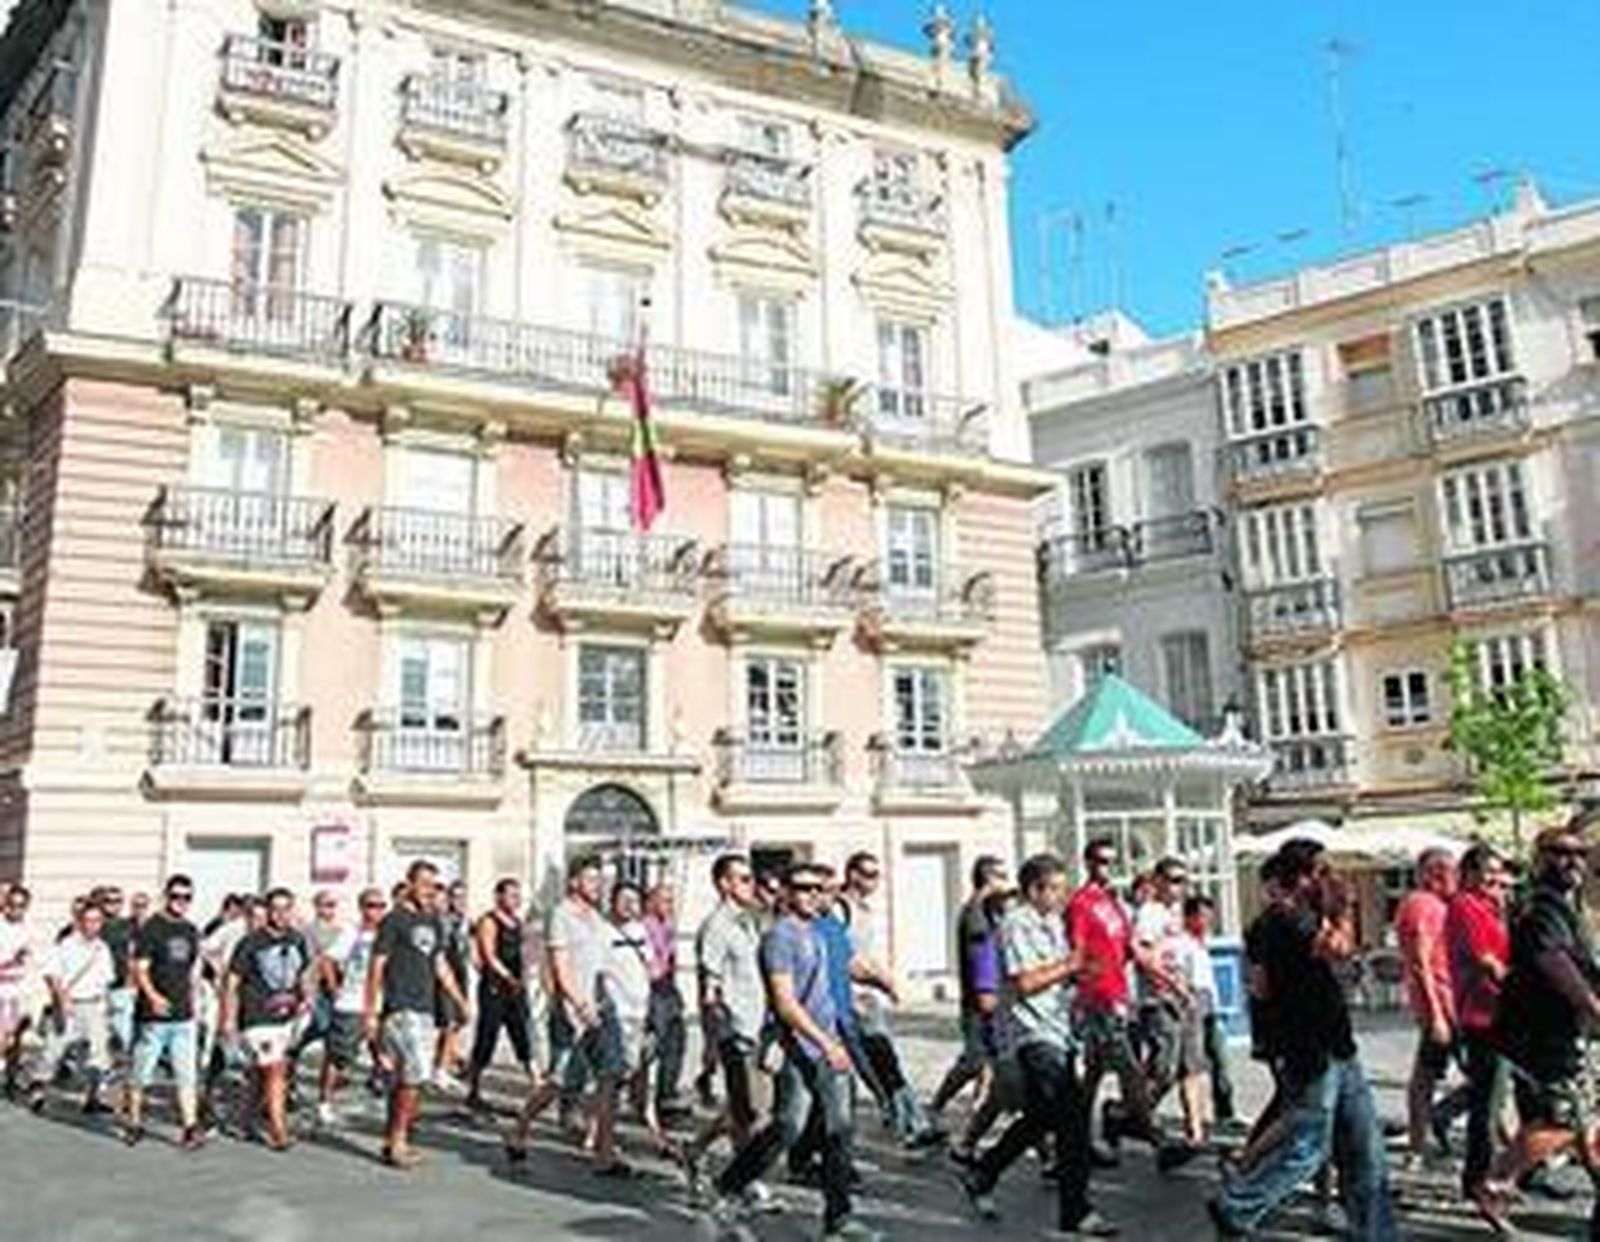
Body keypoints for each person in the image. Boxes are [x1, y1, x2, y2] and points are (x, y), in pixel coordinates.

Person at [1210, 839, 1396, 1239]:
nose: (1330, 879)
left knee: (1365, 1148)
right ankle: (1238, 1205)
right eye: (1322, 872)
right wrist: (1343, 910)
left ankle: (1376, 1231)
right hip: (1312, 1051)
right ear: (1303, 877)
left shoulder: (1280, 921)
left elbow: (1261, 987)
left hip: (1335, 1046)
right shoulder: (1289, 920)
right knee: (1307, 1147)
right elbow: (1339, 950)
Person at [708, 862, 879, 1241]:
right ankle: (728, 1184)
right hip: (800, 1046)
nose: (814, 895)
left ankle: (838, 1219)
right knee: (788, 1126)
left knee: (840, 1130)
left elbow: (842, 972)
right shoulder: (779, 937)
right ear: (785, 892)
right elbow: (786, 1003)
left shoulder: (820, 931)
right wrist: (826, 1043)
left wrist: (878, 982)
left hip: (831, 1043)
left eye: (819, 889)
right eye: (804, 888)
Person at [958, 853, 1114, 1238]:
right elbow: (1025, 982)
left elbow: (1059, 973)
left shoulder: (1051, 925)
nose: (1062, 896)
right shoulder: (1017, 925)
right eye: (1055, 888)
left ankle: (983, 1171)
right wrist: (1070, 966)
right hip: (1031, 1034)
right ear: (1034, 889)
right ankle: (1076, 1211)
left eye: (1063, 888)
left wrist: (1080, 975)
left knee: (1045, 1115)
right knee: (1073, 1119)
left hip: (1058, 1028)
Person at [1479, 822, 1600, 1233]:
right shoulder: (1543, 907)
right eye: (1561, 852)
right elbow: (1559, 968)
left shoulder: (1561, 904)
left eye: (1579, 853)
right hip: (1546, 1032)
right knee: (1561, 1120)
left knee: (1583, 1114)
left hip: (1554, 1030)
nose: (1573, 860)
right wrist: (1594, 1007)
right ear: (1540, 857)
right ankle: (1495, 1184)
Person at [507, 854, 626, 1175]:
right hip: (572, 1008)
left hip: (602, 1005)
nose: (597, 886)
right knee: (559, 1080)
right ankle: (520, 1128)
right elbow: (559, 967)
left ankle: (603, 1152)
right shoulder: (561, 915)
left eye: (600, 881)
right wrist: (576, 1003)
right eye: (591, 880)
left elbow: (607, 962)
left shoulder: (598, 918)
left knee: (610, 1076)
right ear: (574, 882)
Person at [363, 859, 471, 1169]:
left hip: (425, 1007)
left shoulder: (434, 921)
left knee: (406, 1079)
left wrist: (461, 1001)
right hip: (400, 1007)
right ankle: (398, 1141)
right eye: (423, 884)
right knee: (416, 1074)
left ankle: (393, 1137)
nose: (428, 891)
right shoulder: (394, 920)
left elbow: (439, 964)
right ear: (409, 883)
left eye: (434, 886)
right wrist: (370, 1012)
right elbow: (377, 965)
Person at [684, 853, 774, 1209]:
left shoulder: (748, 922)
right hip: (736, 1030)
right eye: (743, 879)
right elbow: (709, 986)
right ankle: (745, 1182)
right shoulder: (717, 926)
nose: (750, 885)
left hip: (758, 1027)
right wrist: (714, 1039)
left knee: (747, 1111)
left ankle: (695, 1150)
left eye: (750, 879)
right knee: (753, 1113)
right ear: (724, 883)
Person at [839, 852, 938, 1148]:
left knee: (886, 1062)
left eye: (877, 875)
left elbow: (867, 956)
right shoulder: (841, 908)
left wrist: (888, 980)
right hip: (852, 1000)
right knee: (876, 1066)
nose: (874, 881)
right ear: (852, 874)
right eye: (869, 874)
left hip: (868, 998)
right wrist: (880, 982)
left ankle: (913, 1123)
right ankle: (908, 1125)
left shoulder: (864, 910)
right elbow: (844, 959)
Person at [1067, 837, 1157, 1159]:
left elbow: (1126, 948)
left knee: (1093, 1074)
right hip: (1098, 996)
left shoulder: (1113, 902)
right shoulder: (1081, 903)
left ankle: (1077, 1138)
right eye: (1102, 861)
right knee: (1129, 1069)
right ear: (1088, 863)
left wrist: (1166, 978)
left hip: (1117, 992)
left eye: (1113, 861)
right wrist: (1085, 988)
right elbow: (1076, 952)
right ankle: (1155, 1137)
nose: (1108, 868)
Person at [220, 886, 316, 1150]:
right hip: (257, 1017)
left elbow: (304, 971)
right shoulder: (251, 942)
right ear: (268, 911)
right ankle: (278, 1131)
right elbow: (232, 981)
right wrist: (228, 1019)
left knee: (260, 1074)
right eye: (276, 909)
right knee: (276, 1070)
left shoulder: (297, 939)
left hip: (286, 1017)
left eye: (287, 908)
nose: (281, 914)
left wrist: (307, 996)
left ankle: (243, 1121)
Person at [1445, 843, 1511, 1216]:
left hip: (1499, 1016)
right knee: (1487, 1103)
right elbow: (1486, 961)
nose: (1495, 879)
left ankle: (1502, 1172)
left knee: (1493, 1097)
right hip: (1481, 1017)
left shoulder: (1490, 906)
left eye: (1498, 873)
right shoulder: (1464, 905)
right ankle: (1479, 1182)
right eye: (1488, 872)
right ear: (1469, 873)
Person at [1395, 846, 1467, 1163]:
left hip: (1454, 1003)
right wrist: (1436, 1014)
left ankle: (1434, 1126)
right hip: (1443, 1005)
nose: (1457, 879)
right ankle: (1419, 1142)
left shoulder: (1441, 905)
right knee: (1427, 1077)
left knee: (1483, 1075)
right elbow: (1419, 961)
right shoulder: (1420, 905)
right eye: (1453, 872)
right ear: (1434, 874)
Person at [124, 874, 205, 1148]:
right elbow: (140, 968)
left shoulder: (191, 930)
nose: (180, 902)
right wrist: (153, 996)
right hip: (153, 1017)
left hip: (183, 1015)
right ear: (166, 896)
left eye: (186, 897)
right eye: (176, 896)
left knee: (187, 1075)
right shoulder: (152, 928)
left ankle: (190, 1128)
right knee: (141, 1073)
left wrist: (196, 1001)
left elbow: (193, 970)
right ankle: (134, 1122)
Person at [929, 854, 1009, 1120]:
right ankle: (937, 1105)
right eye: (1001, 876)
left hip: (996, 999)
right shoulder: (976, 913)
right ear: (988, 880)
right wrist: (987, 994)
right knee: (974, 1060)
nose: (1006, 883)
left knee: (992, 1061)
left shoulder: (991, 911)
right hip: (980, 1002)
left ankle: (979, 1108)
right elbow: (980, 956)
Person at [28, 897, 115, 1115]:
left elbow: (105, 980)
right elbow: (52, 974)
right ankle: (38, 1089)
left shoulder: (102, 948)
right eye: (88, 920)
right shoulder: (67, 945)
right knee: (53, 1051)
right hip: (71, 1005)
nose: (92, 925)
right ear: (80, 921)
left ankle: (92, 1098)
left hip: (94, 1006)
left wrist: (106, 1007)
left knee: (97, 1055)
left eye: (97, 921)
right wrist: (62, 999)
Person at [604, 880, 670, 1153]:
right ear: (612, 902)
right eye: (624, 900)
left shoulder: (640, 930)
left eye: (634, 901)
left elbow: (654, 968)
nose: (629, 906)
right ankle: (602, 1137)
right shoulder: (601, 932)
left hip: (641, 1010)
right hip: (615, 1012)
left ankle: (651, 1129)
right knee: (616, 1076)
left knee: (641, 1073)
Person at [318, 886, 385, 1127]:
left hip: (380, 1003)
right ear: (362, 908)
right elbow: (327, 960)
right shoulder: (352, 933)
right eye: (370, 905)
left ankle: (381, 1096)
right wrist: (336, 990)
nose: (375, 911)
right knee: (339, 1056)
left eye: (380, 906)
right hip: (352, 1003)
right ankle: (324, 1102)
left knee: (383, 1053)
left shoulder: (387, 933)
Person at [466, 877, 533, 1110]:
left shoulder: (518, 922)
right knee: (487, 1037)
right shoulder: (489, 921)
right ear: (499, 896)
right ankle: (473, 1088)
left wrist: (524, 978)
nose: (517, 900)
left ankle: (537, 1084)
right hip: (495, 988)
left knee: (523, 1035)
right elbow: (488, 954)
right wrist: (506, 977)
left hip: (515, 988)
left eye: (518, 895)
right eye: (512, 894)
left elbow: (524, 953)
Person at [1172, 894, 1219, 1148]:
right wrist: (1185, 996)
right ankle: (1194, 1126)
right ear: (1189, 917)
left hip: (1207, 1002)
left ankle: (1204, 1118)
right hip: (1191, 1002)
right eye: (1202, 916)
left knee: (1203, 1066)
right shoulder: (1182, 943)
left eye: (1209, 916)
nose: (1207, 921)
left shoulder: (1202, 943)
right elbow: (1177, 973)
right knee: (1191, 1066)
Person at [643, 882, 688, 1118]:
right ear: (651, 902)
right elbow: (650, 964)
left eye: (672, 900)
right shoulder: (645, 926)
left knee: (676, 1041)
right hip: (653, 990)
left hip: (668, 988)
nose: (670, 906)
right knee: (655, 1046)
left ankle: (666, 1094)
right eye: (665, 900)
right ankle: (650, 1098)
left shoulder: (668, 925)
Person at [434, 879, 472, 1090]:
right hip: (446, 973)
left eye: (463, 897)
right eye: (456, 897)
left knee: (458, 1022)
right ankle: (441, 1068)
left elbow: (468, 949)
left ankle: (448, 1060)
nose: (460, 901)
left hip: (461, 972)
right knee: (448, 1023)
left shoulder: (465, 920)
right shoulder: (442, 921)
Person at [0, 882, 35, 1099]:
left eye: (21, 906)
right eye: (12, 905)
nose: (16, 909)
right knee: (5, 1036)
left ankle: (11, 1078)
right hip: (1, 987)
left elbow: (32, 961)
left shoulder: (29, 928)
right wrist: (10, 960)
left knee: (17, 1037)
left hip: (20, 989)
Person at [97, 887, 138, 1059]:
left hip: (122, 984)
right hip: (99, 984)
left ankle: (122, 1062)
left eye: (117, 901)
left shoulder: (128, 925)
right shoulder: (96, 924)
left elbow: (134, 953)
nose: (113, 905)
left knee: (123, 1030)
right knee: (100, 1029)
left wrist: (133, 981)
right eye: (108, 901)